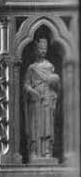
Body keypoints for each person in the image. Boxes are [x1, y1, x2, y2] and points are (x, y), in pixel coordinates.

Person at [24, 33, 60, 161]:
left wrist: (54, 83)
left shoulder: (50, 66)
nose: (43, 51)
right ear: (35, 50)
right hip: (35, 101)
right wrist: (32, 92)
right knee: (35, 127)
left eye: (45, 48)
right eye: (40, 48)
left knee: (47, 126)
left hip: (47, 100)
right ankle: (34, 152)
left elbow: (56, 85)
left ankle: (47, 152)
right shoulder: (32, 68)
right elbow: (26, 85)